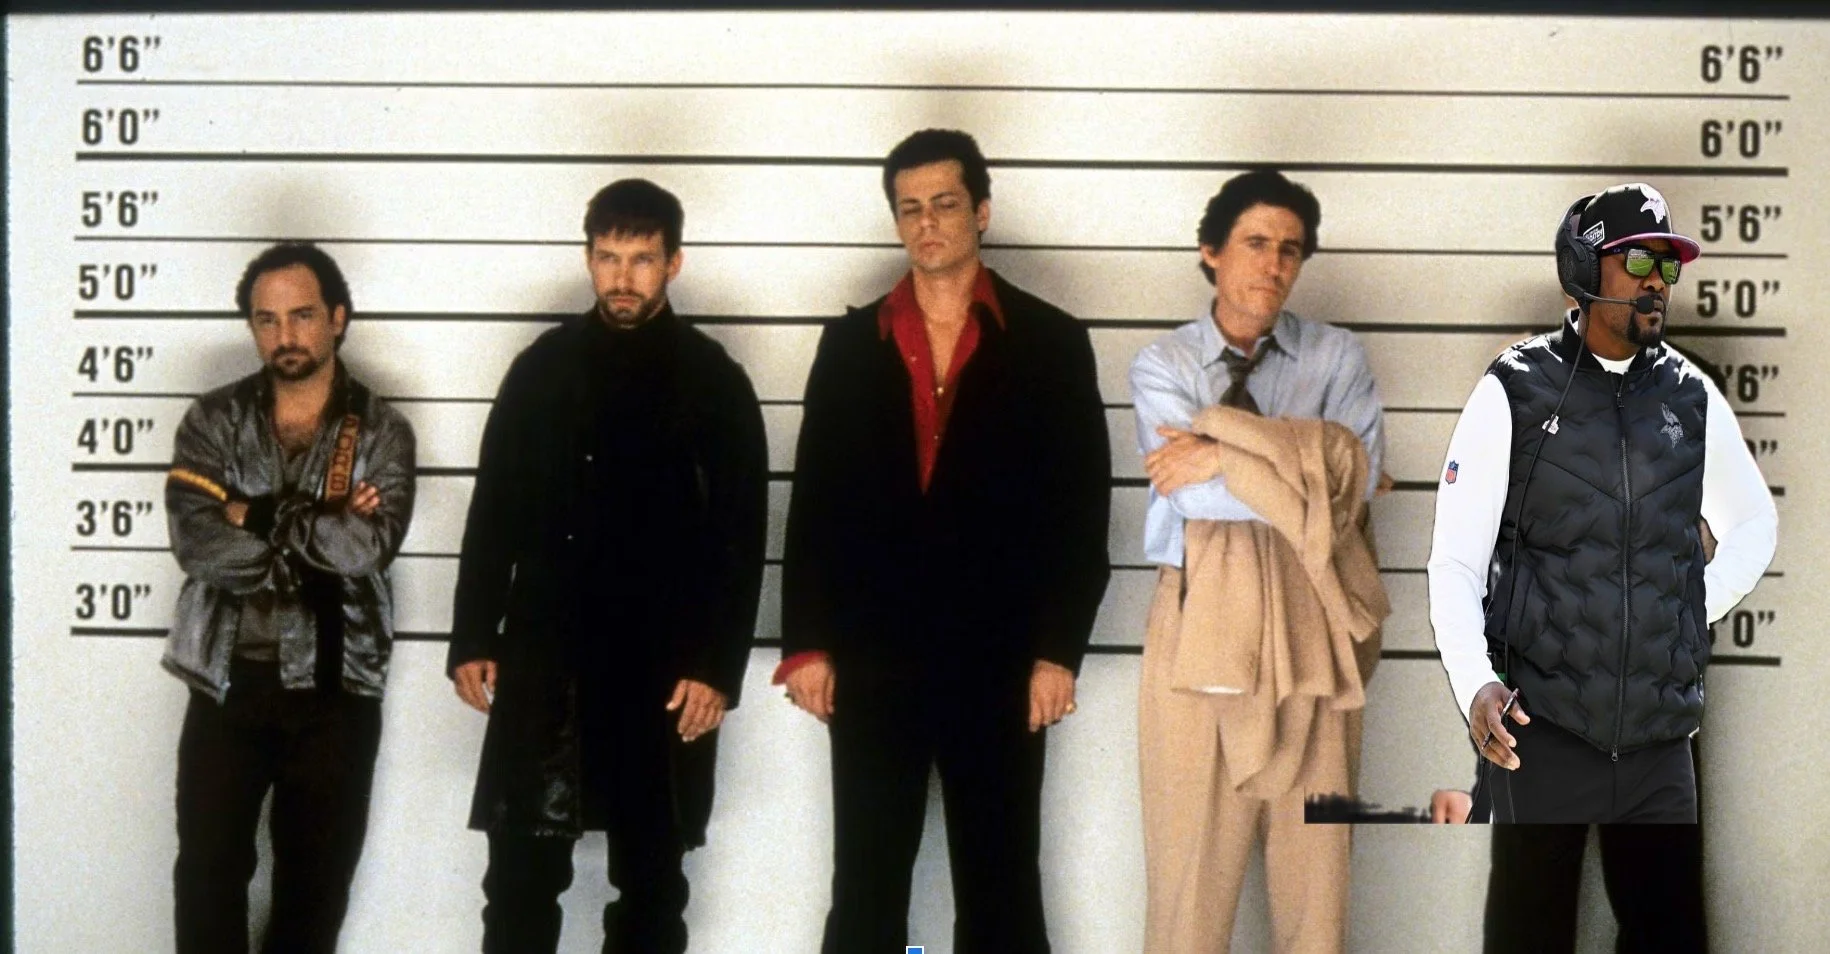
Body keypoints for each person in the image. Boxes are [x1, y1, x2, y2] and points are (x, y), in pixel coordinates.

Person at [777, 128, 1111, 953]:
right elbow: (814, 503)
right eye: (910, 208)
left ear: (982, 212)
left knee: (1002, 890)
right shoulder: (850, 346)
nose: (927, 223)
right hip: (871, 656)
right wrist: (807, 644)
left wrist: (1057, 652)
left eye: (945, 204)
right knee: (866, 887)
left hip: (1001, 657)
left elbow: (1079, 512)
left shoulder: (1051, 341)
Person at [1427, 182, 1777, 951]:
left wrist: (1681, 611)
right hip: (1541, 717)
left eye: (1668, 264)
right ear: (1583, 268)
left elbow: (1754, 526)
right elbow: (1453, 559)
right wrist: (1475, 680)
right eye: (1639, 260)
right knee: (1528, 925)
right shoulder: (1512, 391)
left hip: (1654, 725)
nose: (1658, 281)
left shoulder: (1690, 394)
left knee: (1667, 929)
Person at [446, 179, 768, 954]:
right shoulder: (542, 368)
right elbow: (495, 510)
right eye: (608, 257)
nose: (623, 278)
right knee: (518, 883)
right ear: (589, 259)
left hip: (663, 663)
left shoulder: (714, 380)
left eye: (642, 259)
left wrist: (716, 668)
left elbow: (741, 537)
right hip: (546, 649)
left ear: (674, 262)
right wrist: (472, 635)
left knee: (653, 889)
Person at [1128, 168, 1388, 953]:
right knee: (1188, 885)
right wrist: (1310, 459)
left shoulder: (1336, 355)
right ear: (1211, 251)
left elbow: (1357, 485)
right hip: (1197, 618)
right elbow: (1194, 500)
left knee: (1317, 889)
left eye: (1289, 249)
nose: (1273, 265)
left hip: (1316, 620)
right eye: (1255, 243)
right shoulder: (1164, 364)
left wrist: (1221, 452)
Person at [164, 241, 417, 953]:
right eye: (267, 319)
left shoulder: (383, 431)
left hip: (337, 686)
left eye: (302, 315)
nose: (285, 336)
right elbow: (197, 544)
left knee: (315, 892)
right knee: (206, 879)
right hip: (224, 680)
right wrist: (320, 530)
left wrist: (252, 513)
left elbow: (366, 549)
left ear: (337, 318)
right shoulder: (213, 419)